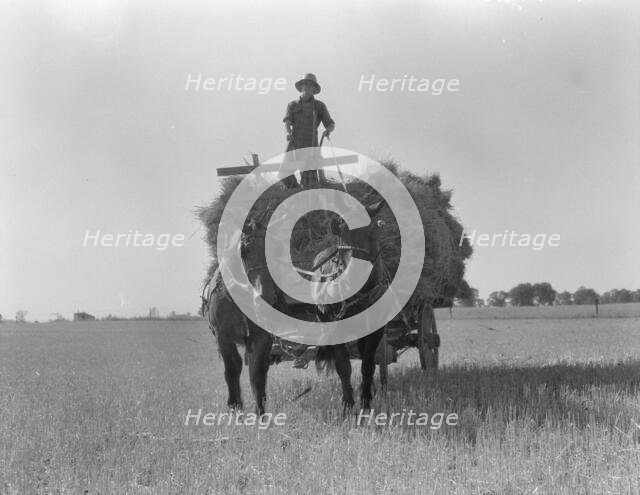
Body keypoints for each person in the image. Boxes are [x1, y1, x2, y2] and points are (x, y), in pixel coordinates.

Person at [281, 73, 335, 188]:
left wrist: (327, 131)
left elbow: (330, 124)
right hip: (294, 144)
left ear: (314, 89)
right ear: (301, 87)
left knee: (309, 181)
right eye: (305, 84)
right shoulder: (292, 105)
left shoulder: (319, 106)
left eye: (311, 85)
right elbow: (287, 123)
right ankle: (296, 193)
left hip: (310, 147)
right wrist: (288, 133)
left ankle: (306, 198)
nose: (308, 87)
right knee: (284, 174)